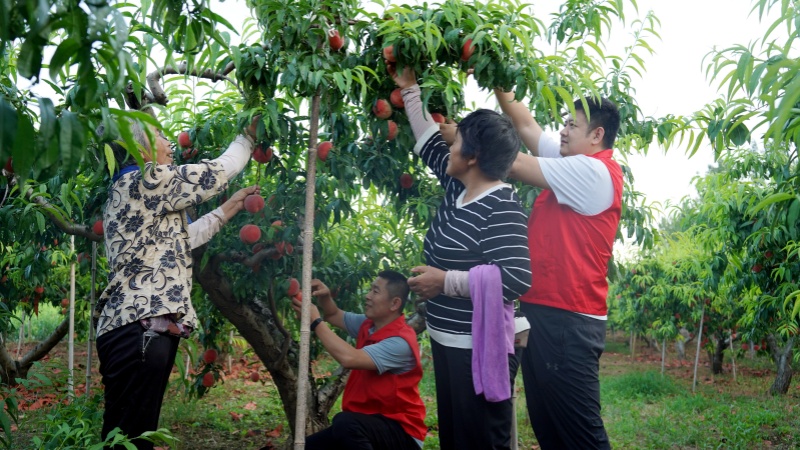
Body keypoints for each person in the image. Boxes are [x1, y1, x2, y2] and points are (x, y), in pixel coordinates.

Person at [389, 65, 532, 450]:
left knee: (481, 441)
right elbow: (427, 139)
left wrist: (444, 280)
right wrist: (410, 89)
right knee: (456, 438)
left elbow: (517, 277)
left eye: (458, 141)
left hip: (478, 345)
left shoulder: (501, 205)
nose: (449, 143)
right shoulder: (458, 187)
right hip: (449, 338)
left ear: (473, 156)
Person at [94, 118, 260, 449]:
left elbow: (181, 240)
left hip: (136, 329)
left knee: (128, 437)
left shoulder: (129, 190)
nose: (170, 143)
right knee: (128, 440)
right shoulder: (147, 179)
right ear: (138, 148)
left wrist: (232, 206)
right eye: (159, 135)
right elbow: (219, 171)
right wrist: (248, 136)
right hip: (138, 330)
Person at [492, 89, 622, 450]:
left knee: (581, 435)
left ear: (597, 135)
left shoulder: (593, 171)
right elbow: (525, 124)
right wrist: (501, 84)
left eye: (571, 125)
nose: (562, 131)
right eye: (564, 123)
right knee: (550, 429)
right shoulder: (572, 162)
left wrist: (465, 134)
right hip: (546, 314)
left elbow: (513, 163)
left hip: (567, 322)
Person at [291, 273, 427, 450]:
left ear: (394, 303)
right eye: (370, 289)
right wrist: (325, 297)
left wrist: (315, 322)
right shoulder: (369, 325)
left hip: (402, 433)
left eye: (375, 291)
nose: (368, 295)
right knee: (308, 447)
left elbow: (350, 358)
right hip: (367, 425)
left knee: (345, 423)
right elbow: (333, 315)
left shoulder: (400, 342)